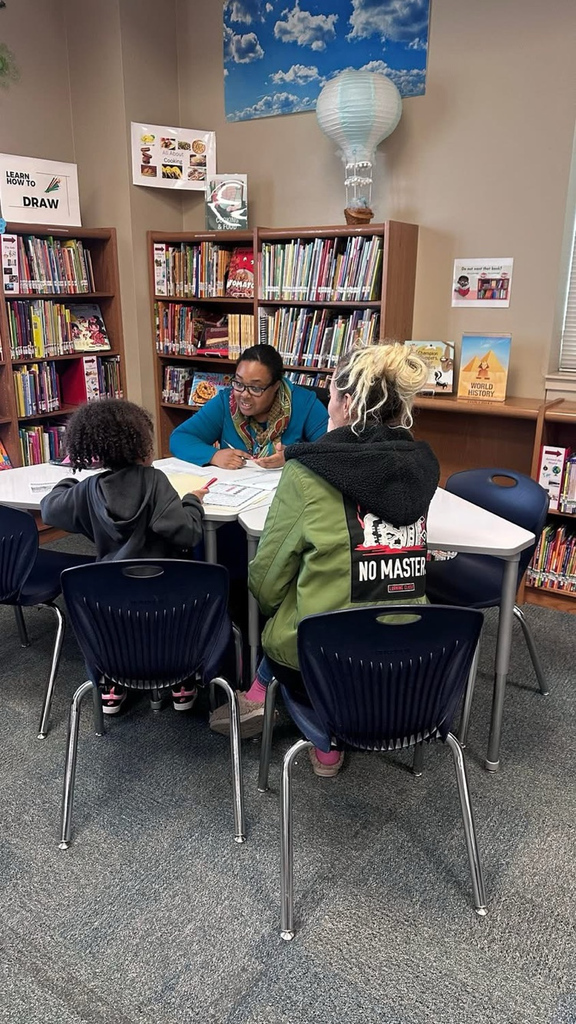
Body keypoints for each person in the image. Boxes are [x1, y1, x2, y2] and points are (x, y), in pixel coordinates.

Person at [209, 343, 440, 776]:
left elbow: (267, 578)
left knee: (289, 620)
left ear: (346, 402)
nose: (326, 403)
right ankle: (280, 703)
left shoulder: (307, 472)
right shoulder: (422, 466)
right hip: (411, 656)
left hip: (328, 658)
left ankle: (318, 734)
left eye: (330, 393)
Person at [40, 398, 208, 715]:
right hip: (167, 599)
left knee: (124, 623)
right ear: (141, 447)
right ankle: (182, 681)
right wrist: (191, 502)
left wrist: (69, 481)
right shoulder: (156, 481)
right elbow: (187, 533)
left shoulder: (89, 489)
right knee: (177, 609)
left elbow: (50, 509)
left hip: (110, 603)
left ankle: (113, 683)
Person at [169, 344, 328, 470]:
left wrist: (293, 457)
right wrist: (214, 455)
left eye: (255, 388)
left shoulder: (304, 403)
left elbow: (333, 451)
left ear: (275, 387)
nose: (244, 394)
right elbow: (180, 438)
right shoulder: (226, 402)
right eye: (239, 383)